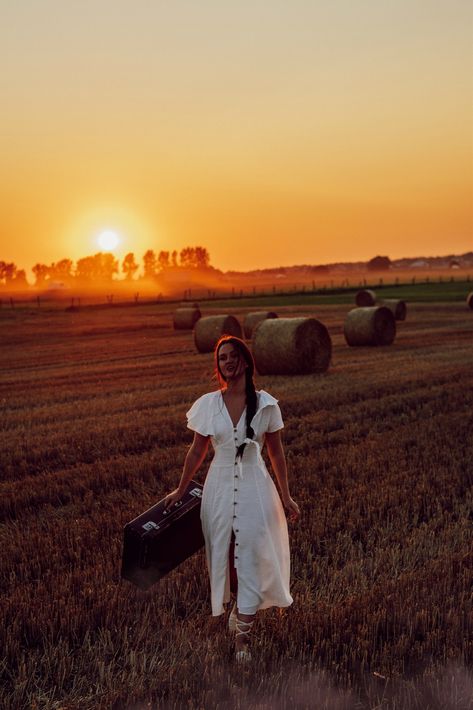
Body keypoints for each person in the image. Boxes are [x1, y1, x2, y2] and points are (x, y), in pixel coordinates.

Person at [165, 335, 300, 662]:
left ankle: (243, 639)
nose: (228, 361)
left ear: (245, 361)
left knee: (251, 551)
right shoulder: (208, 404)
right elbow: (197, 451)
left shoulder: (266, 403)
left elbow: (276, 453)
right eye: (222, 357)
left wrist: (286, 495)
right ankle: (240, 604)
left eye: (233, 355)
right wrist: (181, 490)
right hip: (220, 487)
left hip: (255, 484)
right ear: (219, 365)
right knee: (227, 557)